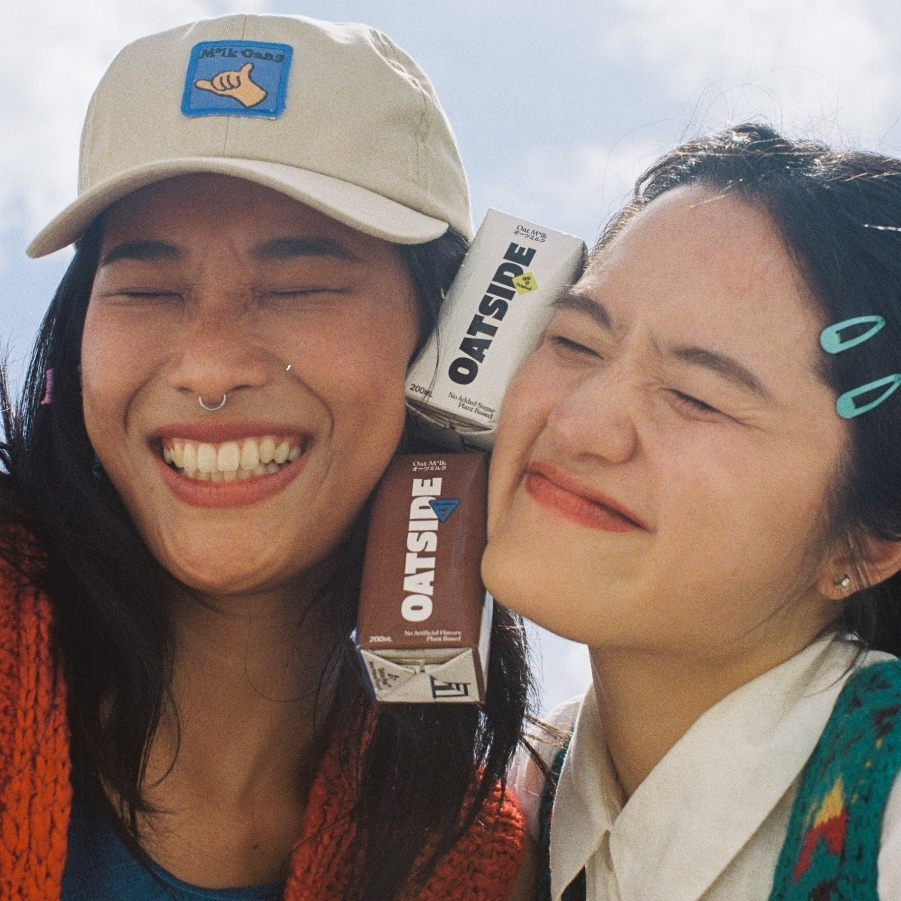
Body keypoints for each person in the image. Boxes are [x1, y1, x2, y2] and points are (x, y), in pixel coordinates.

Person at [0, 14, 531, 901]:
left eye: (299, 286)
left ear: (449, 345)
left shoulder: (472, 861)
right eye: (146, 289)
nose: (208, 367)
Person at [483, 123, 901, 900]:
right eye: (574, 342)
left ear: (870, 542)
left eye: (695, 396)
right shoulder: (498, 811)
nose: (577, 423)